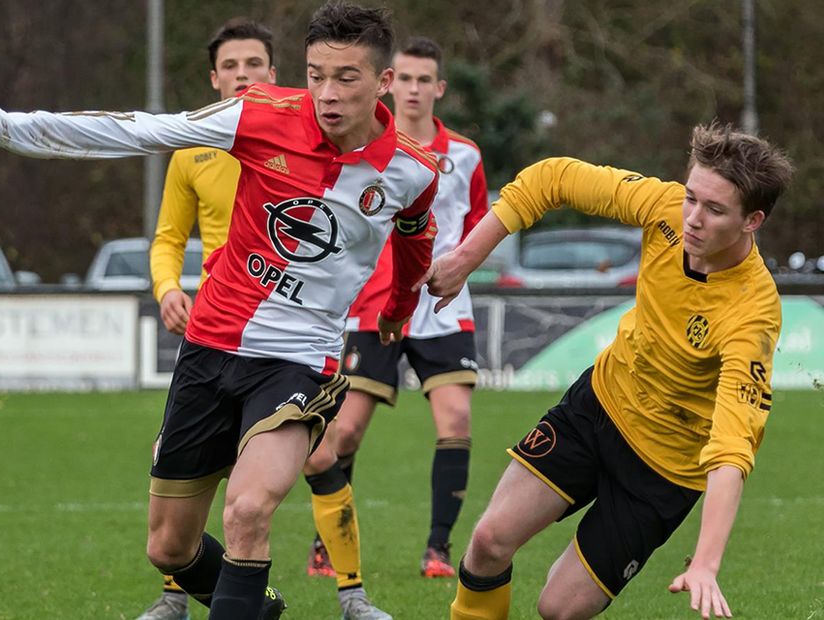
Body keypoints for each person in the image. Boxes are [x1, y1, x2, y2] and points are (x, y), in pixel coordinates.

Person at [0, 2, 438, 618]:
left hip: (296, 361)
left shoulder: (412, 172)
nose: (327, 94)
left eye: (347, 78)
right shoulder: (259, 114)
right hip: (210, 347)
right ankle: (255, 608)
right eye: (316, 75)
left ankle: (303, 597)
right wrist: (2, 124)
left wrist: (397, 309)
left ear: (384, 81)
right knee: (169, 547)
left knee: (249, 509)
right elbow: (136, 131)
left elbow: (416, 244)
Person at [419, 124, 793, 619]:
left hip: (662, 472)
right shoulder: (662, 206)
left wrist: (705, 563)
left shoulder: (753, 311)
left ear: (753, 221)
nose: (692, 219)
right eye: (691, 198)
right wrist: (468, 257)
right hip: (598, 409)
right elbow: (552, 178)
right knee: (488, 541)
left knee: (559, 608)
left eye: (715, 209)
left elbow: (730, 448)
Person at [147, 16, 391, 620]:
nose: (241, 75)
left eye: (252, 65)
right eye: (229, 67)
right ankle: (228, 599)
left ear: (271, 76)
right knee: (170, 541)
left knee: (279, 484)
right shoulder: (199, 151)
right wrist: (165, 288)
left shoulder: (292, 129)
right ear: (214, 77)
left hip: (296, 348)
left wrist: (390, 304)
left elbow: (380, 236)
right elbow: (167, 237)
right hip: (212, 335)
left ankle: (352, 593)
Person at [327, 35, 489, 581]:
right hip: (376, 304)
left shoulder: (465, 156)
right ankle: (328, 544)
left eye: (426, 80)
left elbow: (476, 230)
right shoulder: (369, 147)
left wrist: (455, 269)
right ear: (390, 84)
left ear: (439, 88)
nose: (415, 89)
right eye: (407, 78)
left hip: (443, 306)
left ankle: (438, 550)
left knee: (457, 418)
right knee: (344, 433)